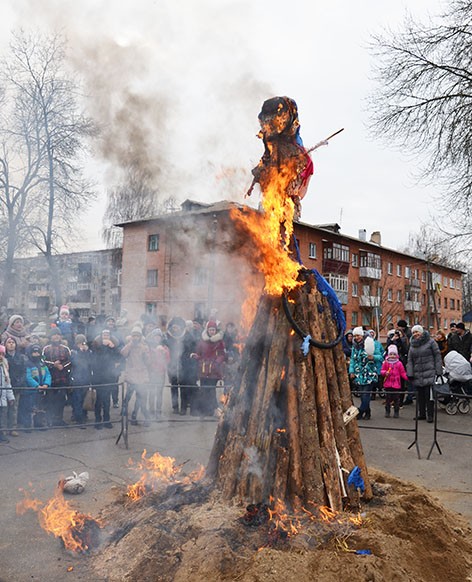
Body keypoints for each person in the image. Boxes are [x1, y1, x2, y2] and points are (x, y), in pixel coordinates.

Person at [406, 324, 443, 422]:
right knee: (420, 396)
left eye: (417, 332)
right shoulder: (412, 345)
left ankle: (430, 415)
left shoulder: (431, 342)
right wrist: (410, 373)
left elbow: (437, 356)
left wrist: (439, 370)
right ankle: (421, 414)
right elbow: (410, 360)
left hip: (429, 372)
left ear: (421, 332)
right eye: (413, 332)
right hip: (417, 373)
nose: (415, 334)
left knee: (429, 396)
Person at [191, 320, 227, 417]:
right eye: (210, 330)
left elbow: (222, 354)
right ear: (207, 330)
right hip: (203, 369)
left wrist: (216, 362)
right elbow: (199, 353)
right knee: (204, 390)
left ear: (216, 330)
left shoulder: (219, 342)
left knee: (211, 390)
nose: (212, 331)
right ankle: (204, 410)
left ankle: (212, 410)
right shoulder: (202, 342)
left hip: (214, 370)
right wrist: (196, 356)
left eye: (213, 330)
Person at [165, 316, 197, 415]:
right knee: (174, 387)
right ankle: (175, 407)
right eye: (174, 327)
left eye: (177, 327)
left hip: (184, 366)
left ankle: (183, 408)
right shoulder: (167, 337)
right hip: (172, 366)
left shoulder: (188, 336)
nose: (176, 329)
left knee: (183, 388)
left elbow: (193, 350)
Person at [121, 326, 152, 426]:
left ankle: (136, 416)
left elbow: (148, 362)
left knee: (140, 398)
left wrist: (145, 356)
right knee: (128, 396)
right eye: (133, 335)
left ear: (140, 337)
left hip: (141, 375)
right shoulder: (129, 346)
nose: (135, 338)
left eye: (137, 336)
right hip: (131, 374)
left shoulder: (144, 347)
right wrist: (130, 344)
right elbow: (123, 353)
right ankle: (124, 411)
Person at [92, 329, 121, 429]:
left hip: (109, 377)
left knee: (107, 400)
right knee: (99, 400)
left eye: (107, 334)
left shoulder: (114, 347)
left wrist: (112, 348)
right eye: (104, 334)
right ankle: (97, 420)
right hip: (99, 377)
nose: (106, 336)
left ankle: (107, 420)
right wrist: (103, 346)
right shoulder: (96, 346)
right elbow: (95, 360)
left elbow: (119, 358)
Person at [42, 328, 71, 427]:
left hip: (62, 377)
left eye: (58, 334)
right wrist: (53, 365)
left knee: (61, 399)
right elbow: (42, 361)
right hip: (50, 378)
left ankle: (59, 419)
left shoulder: (65, 348)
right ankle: (50, 420)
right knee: (50, 400)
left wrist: (62, 366)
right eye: (54, 335)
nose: (56, 336)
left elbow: (70, 361)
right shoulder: (46, 349)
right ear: (51, 337)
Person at [349, 327, 378, 420]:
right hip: (359, 374)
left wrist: (373, 357)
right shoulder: (354, 346)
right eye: (355, 336)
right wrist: (351, 371)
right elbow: (353, 360)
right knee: (362, 395)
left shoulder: (371, 343)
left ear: (362, 335)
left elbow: (380, 356)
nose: (356, 337)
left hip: (369, 373)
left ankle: (360, 411)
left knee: (366, 394)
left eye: (358, 335)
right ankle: (367, 412)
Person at [22, 344, 51, 431]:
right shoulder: (27, 364)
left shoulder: (42, 363)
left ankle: (39, 424)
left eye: (38, 352)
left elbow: (48, 374)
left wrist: (46, 384)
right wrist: (36, 386)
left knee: (40, 408)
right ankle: (27, 426)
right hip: (32, 390)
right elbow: (28, 377)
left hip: (42, 389)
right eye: (34, 352)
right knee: (29, 408)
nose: (36, 354)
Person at [4, 337, 26, 436]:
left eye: (13, 342)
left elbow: (23, 371)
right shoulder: (3, 357)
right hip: (5, 386)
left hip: (17, 385)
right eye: (9, 342)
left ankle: (13, 427)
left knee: (14, 407)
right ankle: (3, 428)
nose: (11, 344)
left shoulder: (20, 357)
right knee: (4, 408)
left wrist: (20, 382)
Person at [146, 328, 170, 418]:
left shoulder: (165, 347)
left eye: (159, 336)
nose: (157, 338)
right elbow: (147, 360)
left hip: (161, 372)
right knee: (151, 392)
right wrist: (155, 352)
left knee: (159, 393)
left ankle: (158, 411)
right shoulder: (149, 347)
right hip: (152, 372)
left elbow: (168, 361)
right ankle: (151, 410)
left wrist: (164, 353)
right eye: (156, 336)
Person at [70, 334, 93, 427]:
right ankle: (79, 418)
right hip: (76, 378)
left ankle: (84, 415)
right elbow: (74, 362)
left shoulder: (89, 352)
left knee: (85, 398)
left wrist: (86, 352)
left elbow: (91, 362)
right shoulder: (73, 352)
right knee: (77, 399)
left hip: (86, 378)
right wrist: (81, 352)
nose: (81, 345)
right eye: (79, 343)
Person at [380, 344, 408, 418]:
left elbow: (402, 372)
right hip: (388, 384)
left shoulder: (399, 363)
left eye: (394, 354)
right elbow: (382, 371)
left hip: (396, 384)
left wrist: (407, 378)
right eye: (391, 354)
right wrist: (385, 373)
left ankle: (396, 411)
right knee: (388, 399)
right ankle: (387, 411)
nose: (392, 356)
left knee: (396, 399)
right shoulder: (386, 362)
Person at [0, 344, 15, 443]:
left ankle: (1, 434)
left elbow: (7, 383)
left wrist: (11, 397)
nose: (0, 356)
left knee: (2, 417)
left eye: (2, 354)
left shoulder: (4, 367)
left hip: (3, 398)